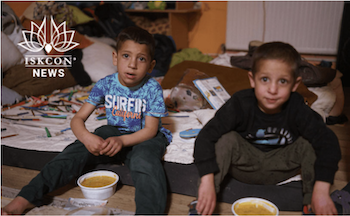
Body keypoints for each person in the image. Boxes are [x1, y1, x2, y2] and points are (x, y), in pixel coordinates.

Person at [2, 26, 172, 215]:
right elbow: (78, 119)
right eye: (126, 56)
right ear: (115, 58)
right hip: (114, 130)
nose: (132, 64)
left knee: (145, 163)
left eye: (141, 59)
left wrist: (122, 141)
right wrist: (86, 137)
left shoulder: (152, 88)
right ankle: (23, 199)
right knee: (73, 152)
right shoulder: (105, 84)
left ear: (150, 65)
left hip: (145, 137)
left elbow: (150, 129)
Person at [193, 42, 341, 215]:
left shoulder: (297, 107)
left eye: (283, 81)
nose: (272, 89)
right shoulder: (240, 103)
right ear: (252, 79)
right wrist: (207, 181)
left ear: (295, 85)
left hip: (281, 168)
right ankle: (201, 204)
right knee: (226, 139)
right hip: (243, 167)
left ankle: (312, 206)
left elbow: (328, 143)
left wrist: (321, 190)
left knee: (309, 143)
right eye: (265, 79)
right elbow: (205, 137)